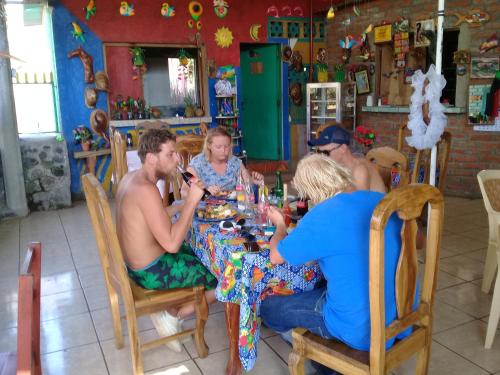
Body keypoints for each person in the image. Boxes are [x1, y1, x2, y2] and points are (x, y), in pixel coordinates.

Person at [260, 154, 407, 373]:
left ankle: (322, 357)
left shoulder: (321, 215)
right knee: (321, 285)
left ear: (310, 191)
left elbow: (275, 257)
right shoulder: (380, 201)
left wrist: (280, 225)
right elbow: (419, 242)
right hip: (400, 316)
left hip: (358, 329)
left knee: (268, 308)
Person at [116, 128, 217, 352]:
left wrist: (179, 206)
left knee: (197, 253)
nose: (177, 160)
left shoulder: (131, 178)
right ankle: (172, 316)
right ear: (151, 158)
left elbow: (153, 218)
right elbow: (171, 244)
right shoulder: (146, 189)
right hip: (150, 272)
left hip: (133, 265)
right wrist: (191, 202)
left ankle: (171, 308)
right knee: (221, 276)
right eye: (170, 154)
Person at [182, 126, 263, 197]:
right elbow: (184, 193)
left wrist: (254, 182)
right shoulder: (197, 164)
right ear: (209, 146)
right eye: (218, 147)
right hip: (205, 210)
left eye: (226, 146)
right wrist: (204, 192)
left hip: (232, 210)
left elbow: (248, 187)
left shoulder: (235, 162)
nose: (223, 150)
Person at [308, 125, 386, 193]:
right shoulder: (340, 167)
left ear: (343, 148)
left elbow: (360, 206)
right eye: (319, 152)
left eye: (325, 153)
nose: (322, 157)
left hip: (378, 209)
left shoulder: (359, 170)